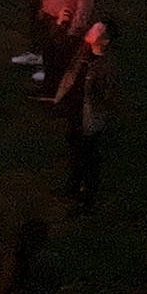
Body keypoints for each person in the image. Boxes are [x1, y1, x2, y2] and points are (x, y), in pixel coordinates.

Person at [52, 15, 114, 210]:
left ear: (105, 40)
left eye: (97, 30)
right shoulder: (83, 52)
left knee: (89, 157)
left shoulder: (106, 66)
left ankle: (87, 197)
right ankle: (72, 186)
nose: (91, 31)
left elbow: (107, 97)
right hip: (76, 113)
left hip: (89, 118)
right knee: (75, 152)